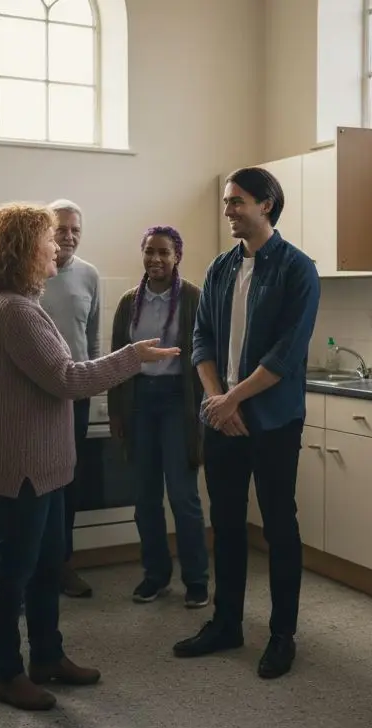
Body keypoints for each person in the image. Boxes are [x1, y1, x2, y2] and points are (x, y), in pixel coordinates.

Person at [0, 202, 178, 711]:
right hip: (22, 466)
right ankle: (6, 674)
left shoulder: (18, 301)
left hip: (39, 466)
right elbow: (68, 378)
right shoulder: (15, 310)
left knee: (44, 570)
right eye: (48, 239)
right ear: (25, 249)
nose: (58, 246)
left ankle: (46, 658)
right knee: (13, 573)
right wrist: (133, 357)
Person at [173, 167, 320, 680]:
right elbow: (202, 341)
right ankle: (226, 622)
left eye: (237, 201)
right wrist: (218, 402)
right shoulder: (219, 269)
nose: (229, 209)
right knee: (228, 525)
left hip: (274, 420)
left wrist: (232, 399)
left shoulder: (298, 270)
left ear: (267, 205)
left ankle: (283, 635)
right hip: (223, 419)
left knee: (280, 526)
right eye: (227, 202)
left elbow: (286, 354)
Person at [109, 226, 209, 608]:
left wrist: (204, 411)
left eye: (164, 252)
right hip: (139, 404)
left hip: (178, 405)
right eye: (150, 251)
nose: (156, 259)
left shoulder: (193, 298)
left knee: (183, 497)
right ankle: (155, 576)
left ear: (177, 256)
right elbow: (118, 360)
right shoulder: (127, 302)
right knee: (144, 497)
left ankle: (197, 580)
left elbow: (205, 355)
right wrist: (117, 410)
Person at [37, 198, 101, 599]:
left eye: (76, 229)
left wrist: (92, 380)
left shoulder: (90, 276)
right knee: (39, 482)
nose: (69, 236)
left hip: (76, 393)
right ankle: (36, 570)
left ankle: (63, 565)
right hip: (38, 395)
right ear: (47, 230)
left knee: (69, 481)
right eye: (61, 229)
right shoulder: (31, 273)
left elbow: (91, 337)